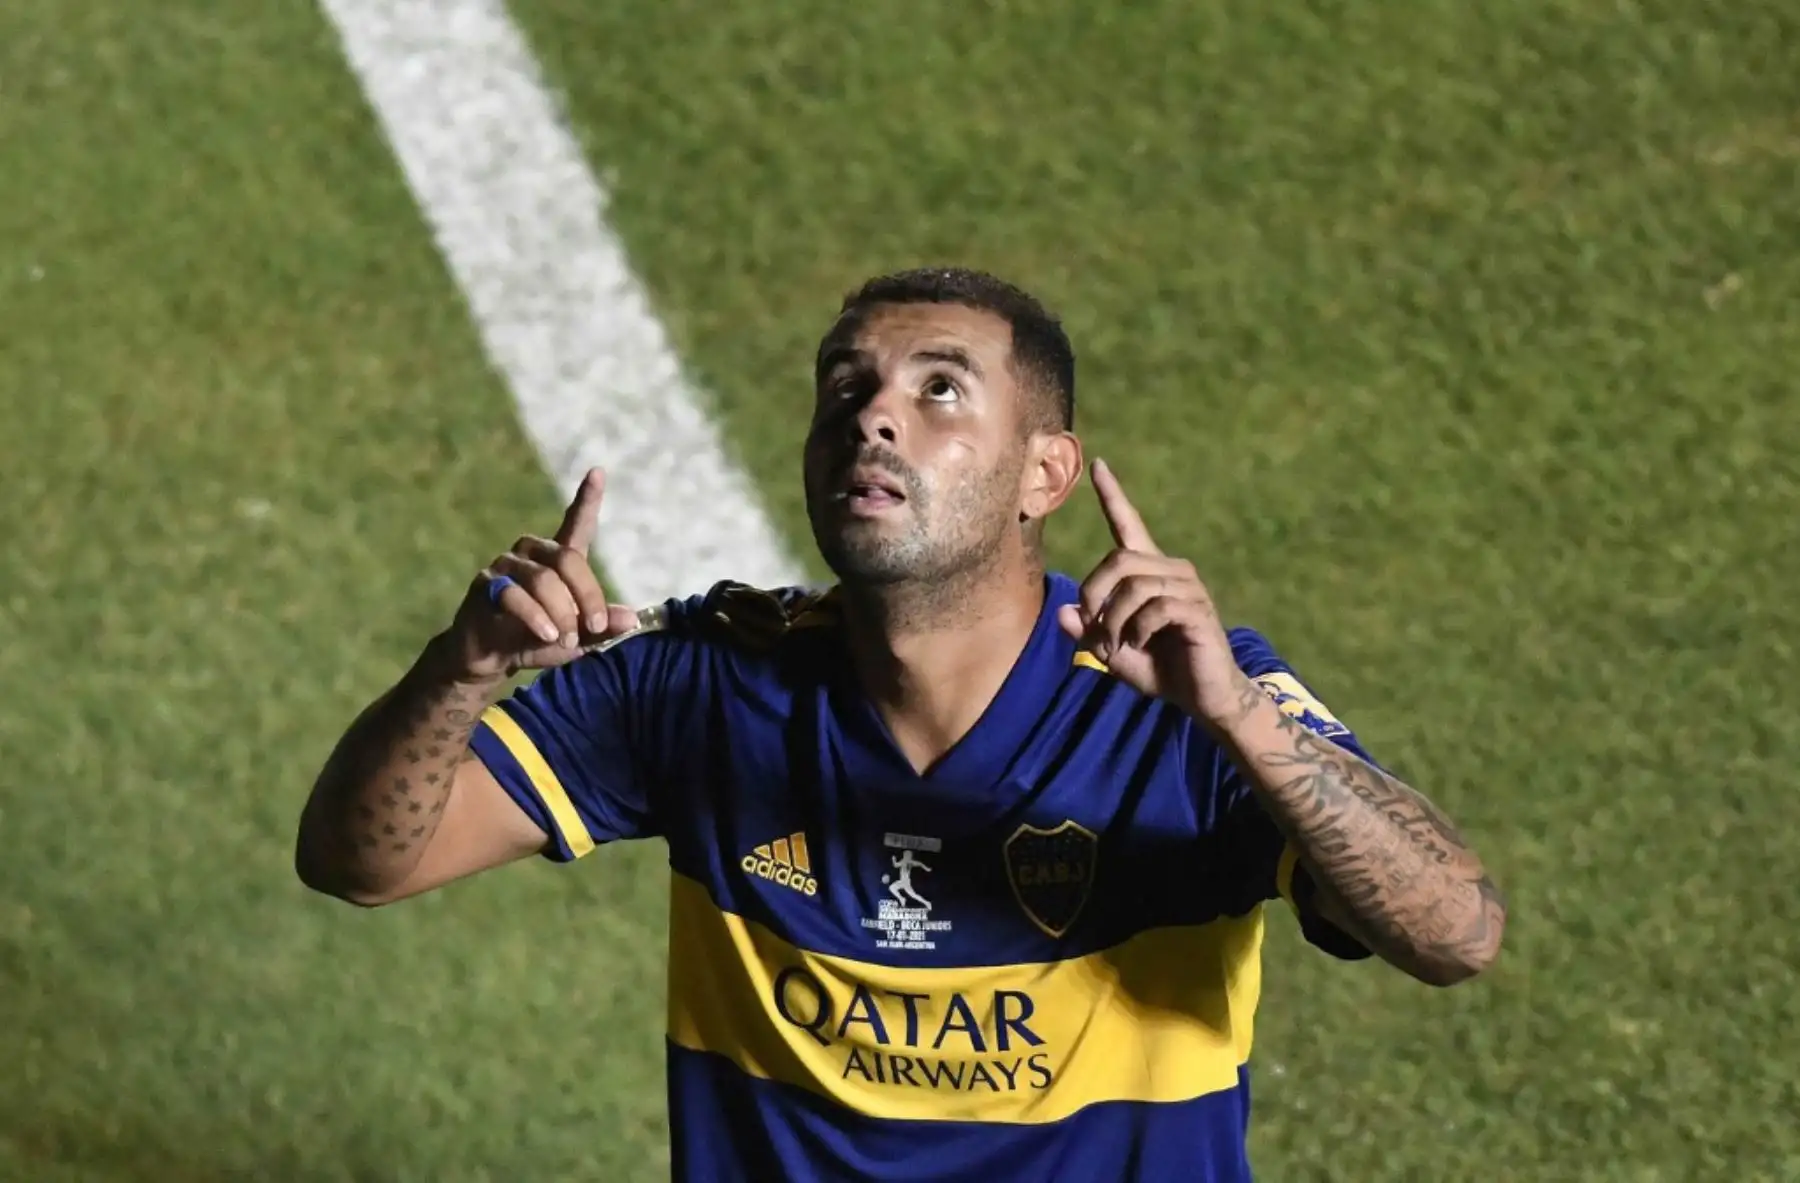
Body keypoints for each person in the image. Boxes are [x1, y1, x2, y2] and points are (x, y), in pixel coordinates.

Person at [295, 267, 1506, 1182]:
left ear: (1046, 475)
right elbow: (360, 860)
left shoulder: (1188, 703)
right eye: (847, 390)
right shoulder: (699, 687)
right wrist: (462, 670)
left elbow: (1456, 929)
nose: (876, 418)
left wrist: (1240, 718)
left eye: (940, 390)